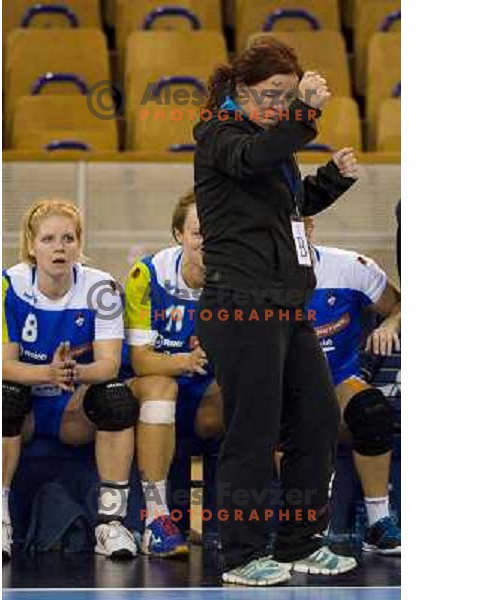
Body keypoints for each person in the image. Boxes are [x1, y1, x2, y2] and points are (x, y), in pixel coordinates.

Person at [193, 37, 359, 586]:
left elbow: (291, 207)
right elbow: (249, 160)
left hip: (287, 306)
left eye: (287, 98)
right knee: (253, 430)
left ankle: (299, 541)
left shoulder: (277, 141)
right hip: (239, 306)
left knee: (317, 419)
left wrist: (330, 180)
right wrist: (307, 114)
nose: (279, 106)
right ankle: (241, 555)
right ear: (241, 91)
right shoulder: (219, 133)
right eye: (271, 94)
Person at [2, 198, 139, 563]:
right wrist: (47, 373)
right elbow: (0, 365)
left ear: (79, 244)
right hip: (27, 408)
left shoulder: (102, 288)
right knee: (2, 397)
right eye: (48, 239)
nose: (59, 247)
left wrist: (74, 373)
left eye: (68, 238)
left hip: (72, 411)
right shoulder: (7, 286)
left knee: (116, 399)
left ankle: (111, 522)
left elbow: (109, 365)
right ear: (31, 246)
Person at [122, 190, 224, 557]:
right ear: (179, 235)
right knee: (162, 389)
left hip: (201, 390)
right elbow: (141, 361)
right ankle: (158, 519)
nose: (207, 240)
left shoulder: (235, 279)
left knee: (251, 396)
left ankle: (237, 521)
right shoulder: (147, 275)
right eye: (198, 232)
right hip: (149, 384)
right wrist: (184, 361)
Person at [305, 218, 402, 555]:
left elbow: (400, 303)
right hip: (285, 384)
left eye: (295, 223)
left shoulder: (350, 268)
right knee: (282, 418)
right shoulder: (254, 277)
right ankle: (301, 527)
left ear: (310, 225)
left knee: (372, 411)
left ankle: (378, 521)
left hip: (339, 381)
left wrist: (390, 323)